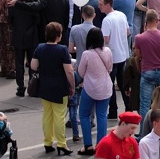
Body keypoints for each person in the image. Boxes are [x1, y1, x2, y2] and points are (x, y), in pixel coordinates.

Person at [31, 21, 75, 155]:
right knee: (59, 117)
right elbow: (69, 71)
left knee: (47, 115)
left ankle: (48, 142)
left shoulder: (40, 47)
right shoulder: (62, 50)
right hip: (59, 87)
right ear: (58, 35)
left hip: (44, 86)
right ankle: (61, 144)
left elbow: (33, 66)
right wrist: (72, 86)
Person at [77, 27, 114, 155]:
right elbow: (110, 68)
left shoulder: (86, 54)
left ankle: (88, 146)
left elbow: (80, 72)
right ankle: (101, 146)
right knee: (102, 116)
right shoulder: (108, 51)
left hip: (89, 88)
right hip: (105, 88)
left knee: (84, 115)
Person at [134, 9, 160, 117]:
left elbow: (138, 55)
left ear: (146, 22)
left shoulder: (139, 38)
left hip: (147, 71)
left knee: (145, 103)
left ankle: (144, 131)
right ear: (157, 21)